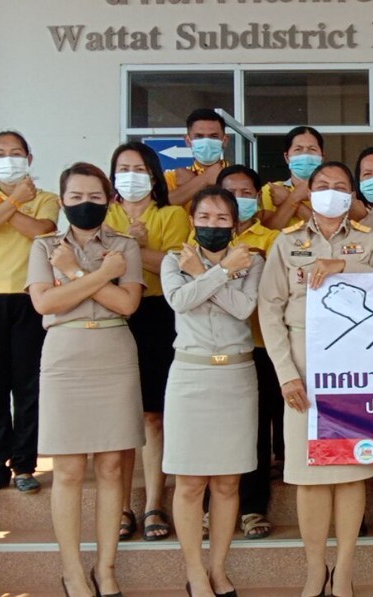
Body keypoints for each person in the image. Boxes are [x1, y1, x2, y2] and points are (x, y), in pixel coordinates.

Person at [258, 161, 373, 597]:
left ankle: (346, 569)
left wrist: (345, 266)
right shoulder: (287, 242)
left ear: (352, 195)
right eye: (322, 185)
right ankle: (315, 568)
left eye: (340, 186)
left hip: (355, 364)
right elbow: (269, 310)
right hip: (302, 363)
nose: (331, 192)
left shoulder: (369, 241)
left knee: (352, 470)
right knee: (308, 473)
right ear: (309, 191)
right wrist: (286, 374)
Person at [26, 162, 145, 597]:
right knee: (70, 469)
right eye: (76, 197)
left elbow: (126, 304)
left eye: (95, 196)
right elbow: (46, 303)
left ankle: (106, 567)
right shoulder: (44, 247)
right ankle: (72, 570)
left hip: (114, 353)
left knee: (112, 466)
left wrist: (75, 273)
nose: (85, 204)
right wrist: (100, 276)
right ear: (62, 201)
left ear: (110, 199)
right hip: (65, 356)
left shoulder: (124, 246)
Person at [162, 186, 265, 597]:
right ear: (192, 220)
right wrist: (222, 273)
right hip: (190, 376)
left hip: (236, 377)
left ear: (235, 223)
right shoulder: (175, 259)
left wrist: (207, 275)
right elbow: (180, 300)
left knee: (227, 483)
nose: (212, 225)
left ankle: (218, 569)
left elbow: (244, 308)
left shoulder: (252, 260)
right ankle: (195, 573)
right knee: (189, 483)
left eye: (222, 218)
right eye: (204, 217)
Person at [0, 131, 59, 500]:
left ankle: (24, 466)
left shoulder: (46, 199)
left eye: (16, 152)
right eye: (0, 154)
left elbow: (40, 232)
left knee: (28, 386)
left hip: (29, 298)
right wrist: (11, 200)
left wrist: (1, 202)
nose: (8, 159)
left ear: (29, 159)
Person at [106, 142, 192, 543]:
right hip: (112, 314)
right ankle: (121, 505)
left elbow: (175, 266)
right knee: (122, 417)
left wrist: (133, 248)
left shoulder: (172, 214)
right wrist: (130, 246)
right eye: (123, 169)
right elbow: (91, 265)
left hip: (159, 314)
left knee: (155, 415)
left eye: (139, 169)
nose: (131, 176)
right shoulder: (104, 214)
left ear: (154, 176)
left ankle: (155, 502)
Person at [217, 165, 283, 541]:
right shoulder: (198, 237)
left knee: (256, 431)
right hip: (213, 349)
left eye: (246, 193)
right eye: (231, 192)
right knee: (219, 431)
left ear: (258, 198)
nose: (238, 199)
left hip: (258, 345)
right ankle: (212, 508)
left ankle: (253, 507)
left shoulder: (272, 239)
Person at [167, 109, 230, 205]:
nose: (206, 142)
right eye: (199, 136)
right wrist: (205, 179)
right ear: (188, 141)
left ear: (225, 140)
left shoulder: (239, 176)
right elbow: (162, 204)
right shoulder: (173, 178)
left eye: (213, 136)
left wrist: (192, 183)